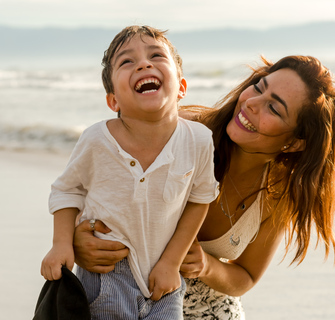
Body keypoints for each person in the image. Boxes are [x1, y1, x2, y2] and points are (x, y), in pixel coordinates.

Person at [73, 55, 335, 319]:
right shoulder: (180, 131)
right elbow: (85, 192)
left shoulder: (277, 194)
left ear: (295, 142)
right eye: (258, 87)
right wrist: (77, 240)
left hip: (211, 312)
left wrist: (206, 266)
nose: (252, 102)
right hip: (118, 302)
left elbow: (246, 277)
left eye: (274, 108)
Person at [40, 25, 219, 319]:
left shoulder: (197, 140)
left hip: (164, 278)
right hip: (106, 273)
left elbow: (199, 200)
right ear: (114, 101)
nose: (144, 64)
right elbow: (66, 190)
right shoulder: (97, 140)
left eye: (156, 55)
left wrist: (172, 262)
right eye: (127, 61)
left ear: (182, 88)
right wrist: (61, 244)